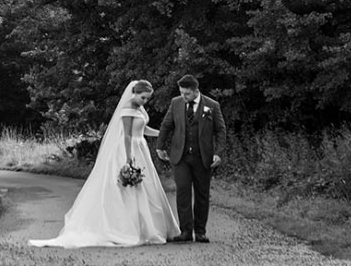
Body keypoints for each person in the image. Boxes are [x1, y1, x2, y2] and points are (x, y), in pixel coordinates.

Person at [29, 80, 180, 248]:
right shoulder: (129, 108)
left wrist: (163, 134)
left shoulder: (140, 108)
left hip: (141, 147)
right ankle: (128, 228)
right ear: (135, 93)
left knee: (148, 187)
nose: (145, 101)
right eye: (143, 97)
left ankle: (149, 227)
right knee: (128, 189)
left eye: (147, 99)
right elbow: (128, 135)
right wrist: (129, 158)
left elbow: (143, 129)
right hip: (128, 148)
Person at [156, 74, 226, 243]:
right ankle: (185, 231)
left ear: (196, 91)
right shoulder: (176, 103)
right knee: (183, 192)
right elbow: (166, 125)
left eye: (186, 93)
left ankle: (200, 231)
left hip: (203, 158)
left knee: (202, 194)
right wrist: (160, 146)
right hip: (181, 157)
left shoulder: (212, 105)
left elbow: (221, 131)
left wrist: (218, 153)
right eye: (181, 92)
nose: (183, 96)